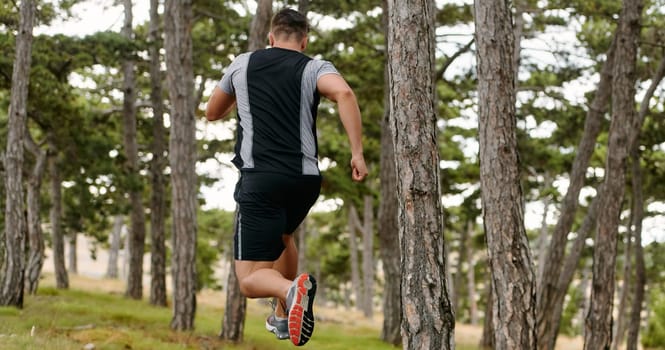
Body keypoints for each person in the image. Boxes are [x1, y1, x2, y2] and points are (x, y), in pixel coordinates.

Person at [205, 8, 368, 347]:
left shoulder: (243, 64)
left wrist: (245, 96)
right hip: (305, 181)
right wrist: (357, 153)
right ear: (304, 41)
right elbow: (346, 94)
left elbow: (212, 112)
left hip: (261, 178)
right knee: (283, 238)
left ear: (270, 37)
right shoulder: (315, 67)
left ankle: (289, 291)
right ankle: (283, 314)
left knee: (249, 281)